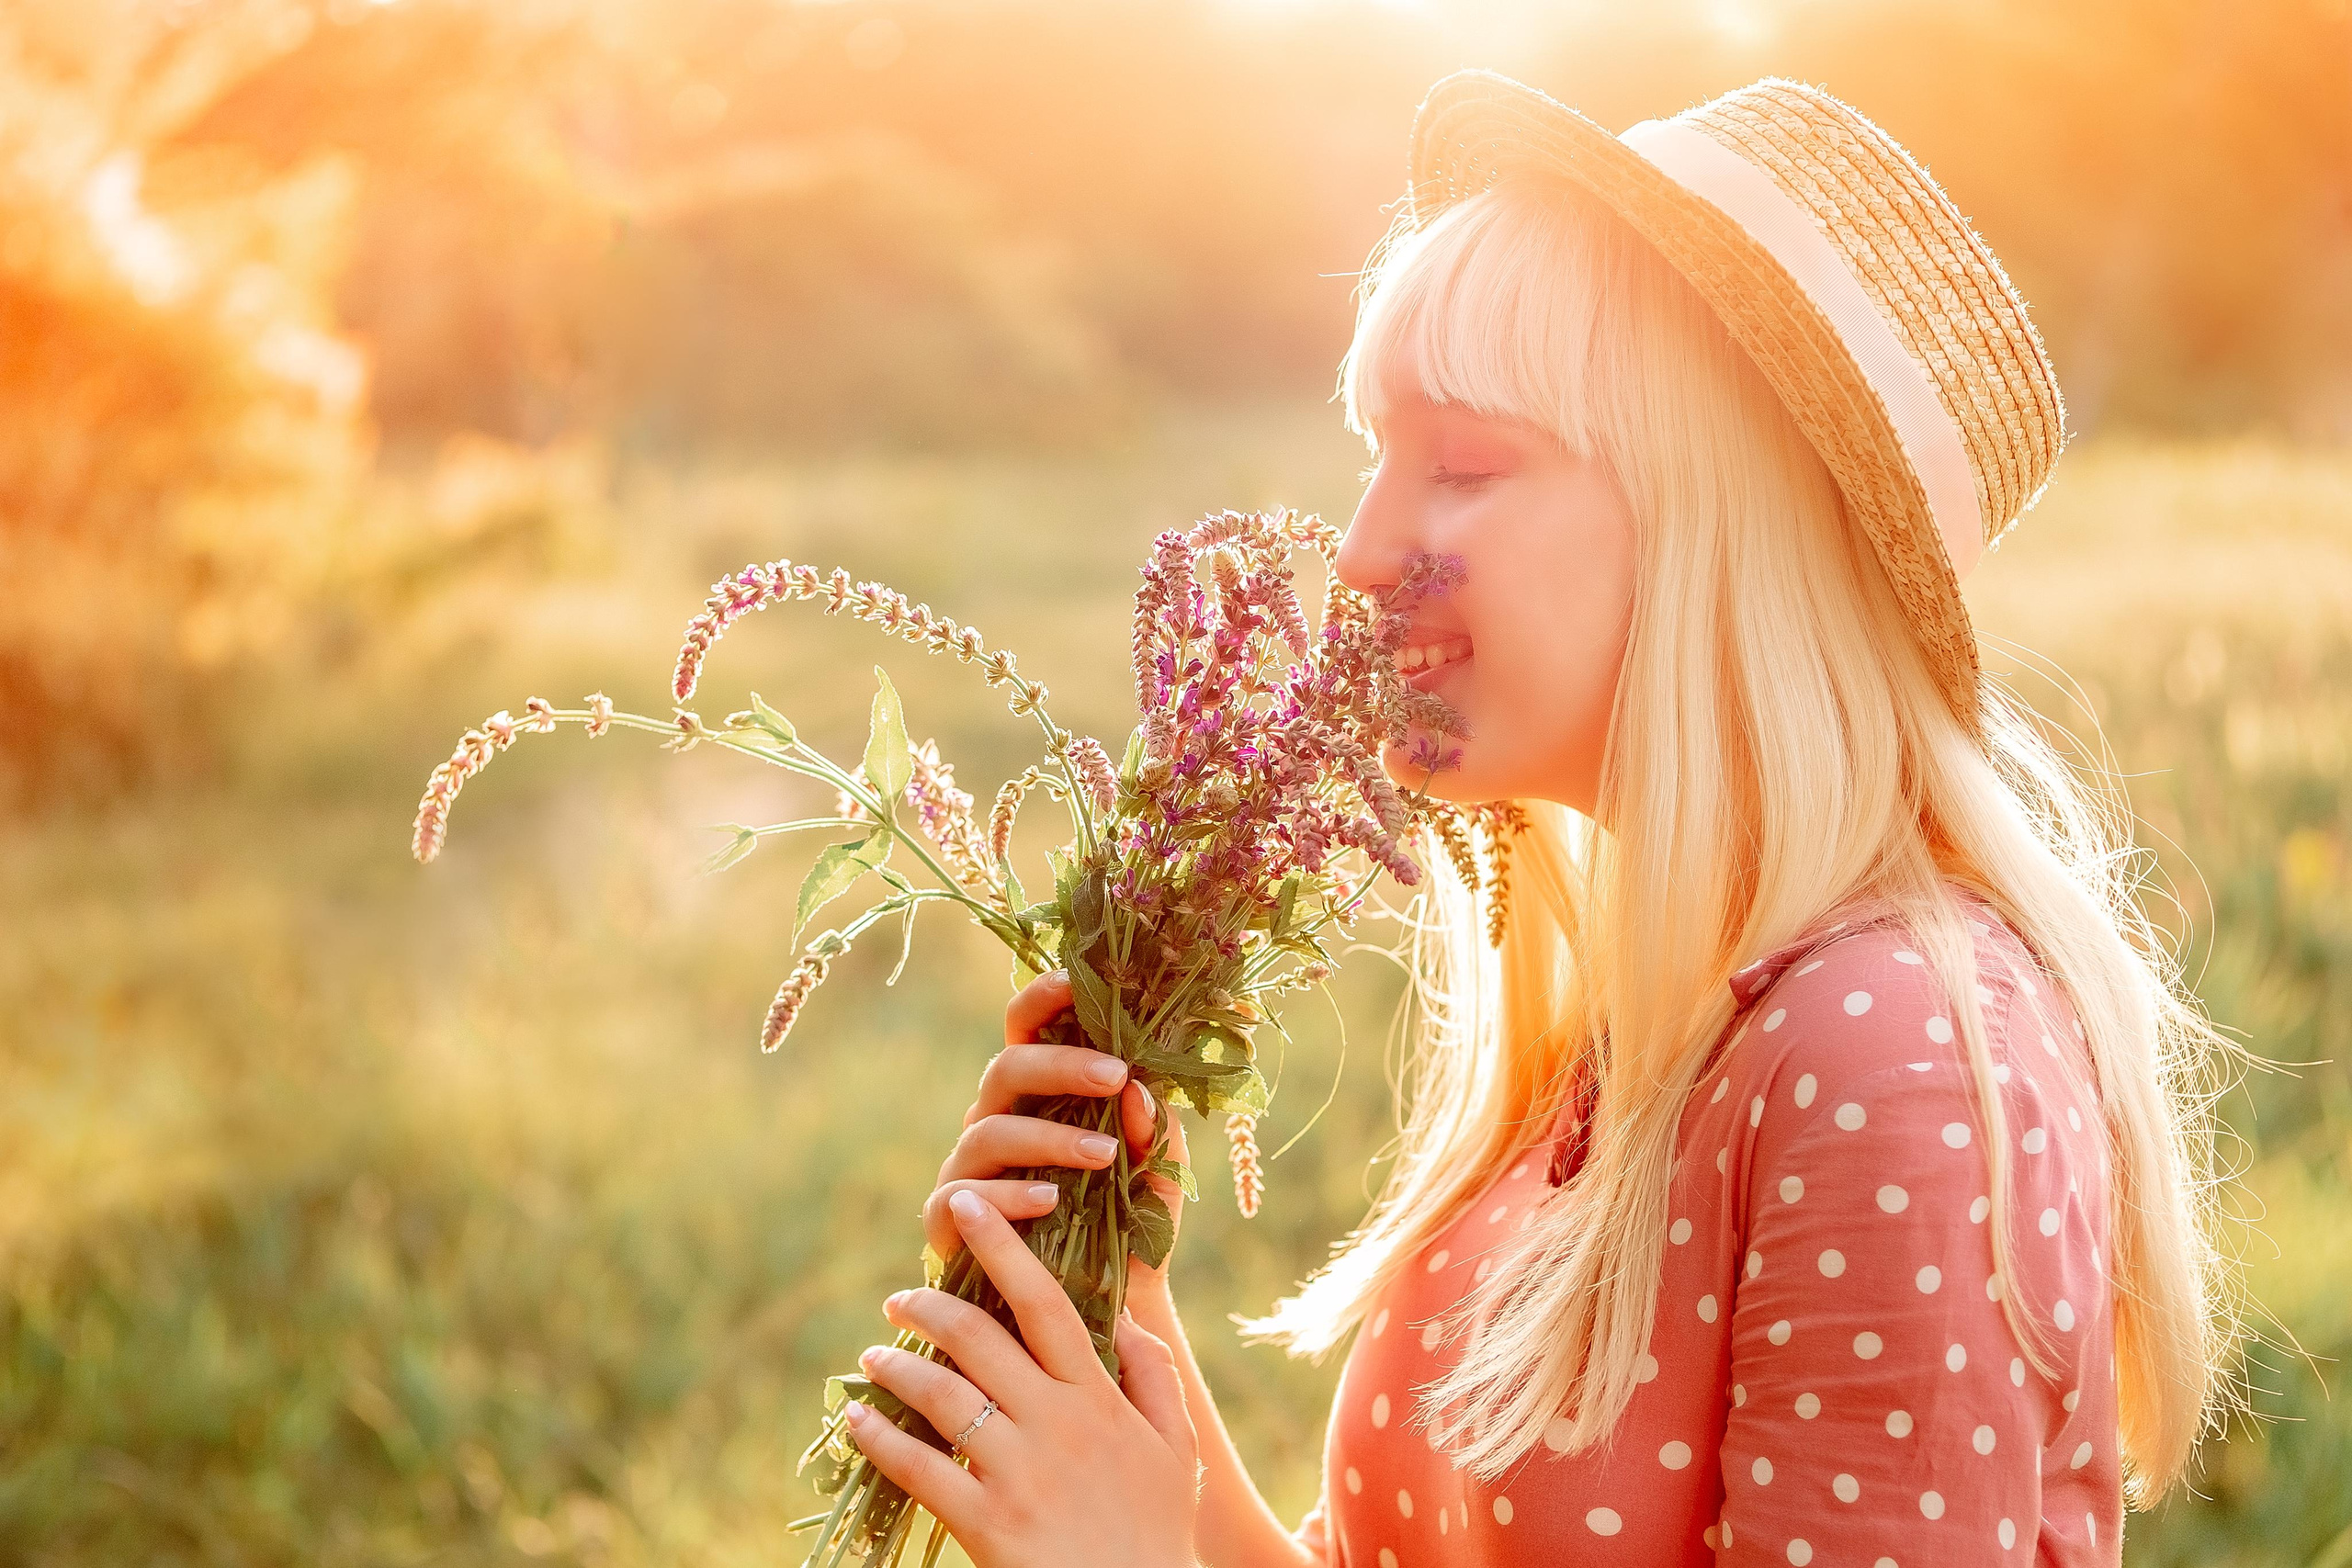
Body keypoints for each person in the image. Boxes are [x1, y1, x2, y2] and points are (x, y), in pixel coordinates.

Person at [836, 68, 2244, 1567]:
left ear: (1714, 516)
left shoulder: (1892, 1063)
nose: (1364, 549)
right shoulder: (1638, 1040)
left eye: (1466, 465)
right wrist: (1126, 1365)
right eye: (1381, 459)